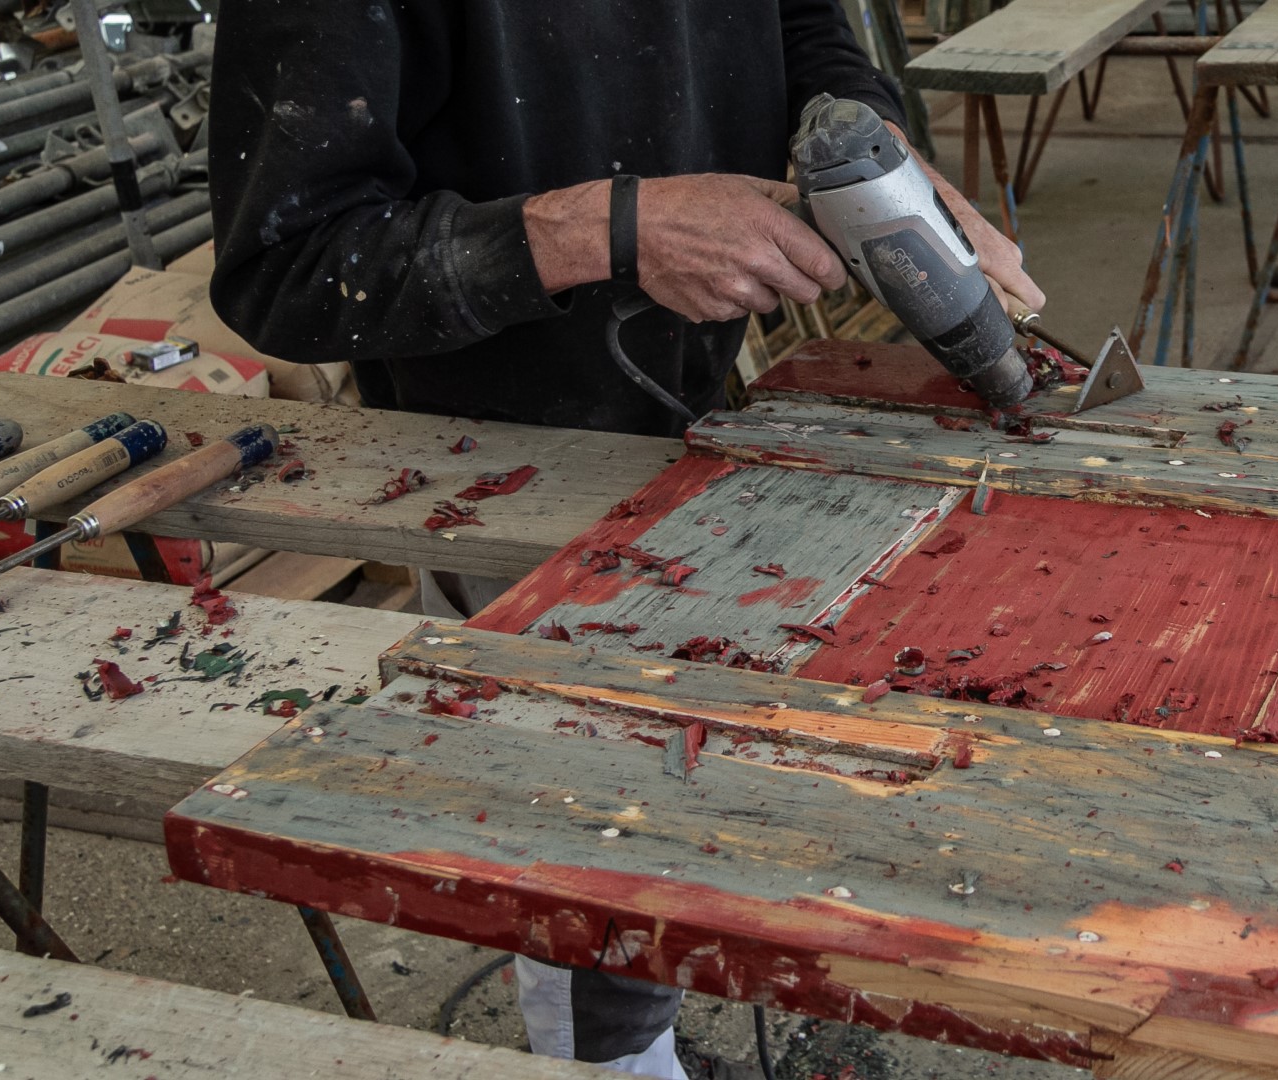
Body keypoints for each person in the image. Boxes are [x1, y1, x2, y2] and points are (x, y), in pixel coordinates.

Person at [206, 4, 1042, 1077]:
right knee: (587, 825)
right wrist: (611, 228)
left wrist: (870, 152)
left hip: (693, 415)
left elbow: (803, 33)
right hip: (492, 468)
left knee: (696, 788)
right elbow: (290, 267)